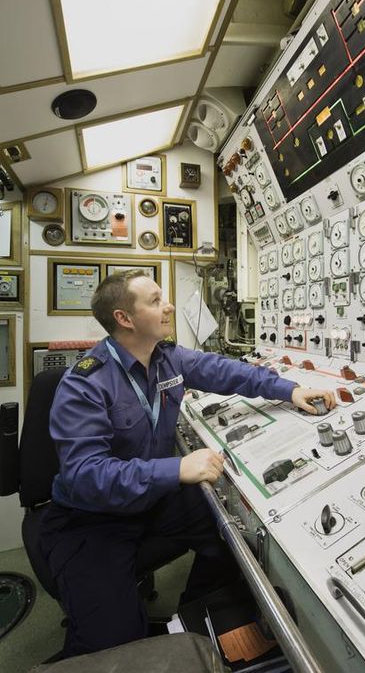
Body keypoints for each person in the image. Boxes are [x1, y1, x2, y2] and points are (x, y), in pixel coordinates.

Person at [40, 269, 335, 658]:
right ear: (125, 319)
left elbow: (227, 372)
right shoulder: (85, 384)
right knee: (114, 650)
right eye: (155, 300)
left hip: (152, 499)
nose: (169, 306)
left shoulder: (167, 358)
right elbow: (85, 476)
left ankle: (193, 618)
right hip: (91, 518)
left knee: (238, 537)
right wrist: (176, 469)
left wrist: (292, 389)